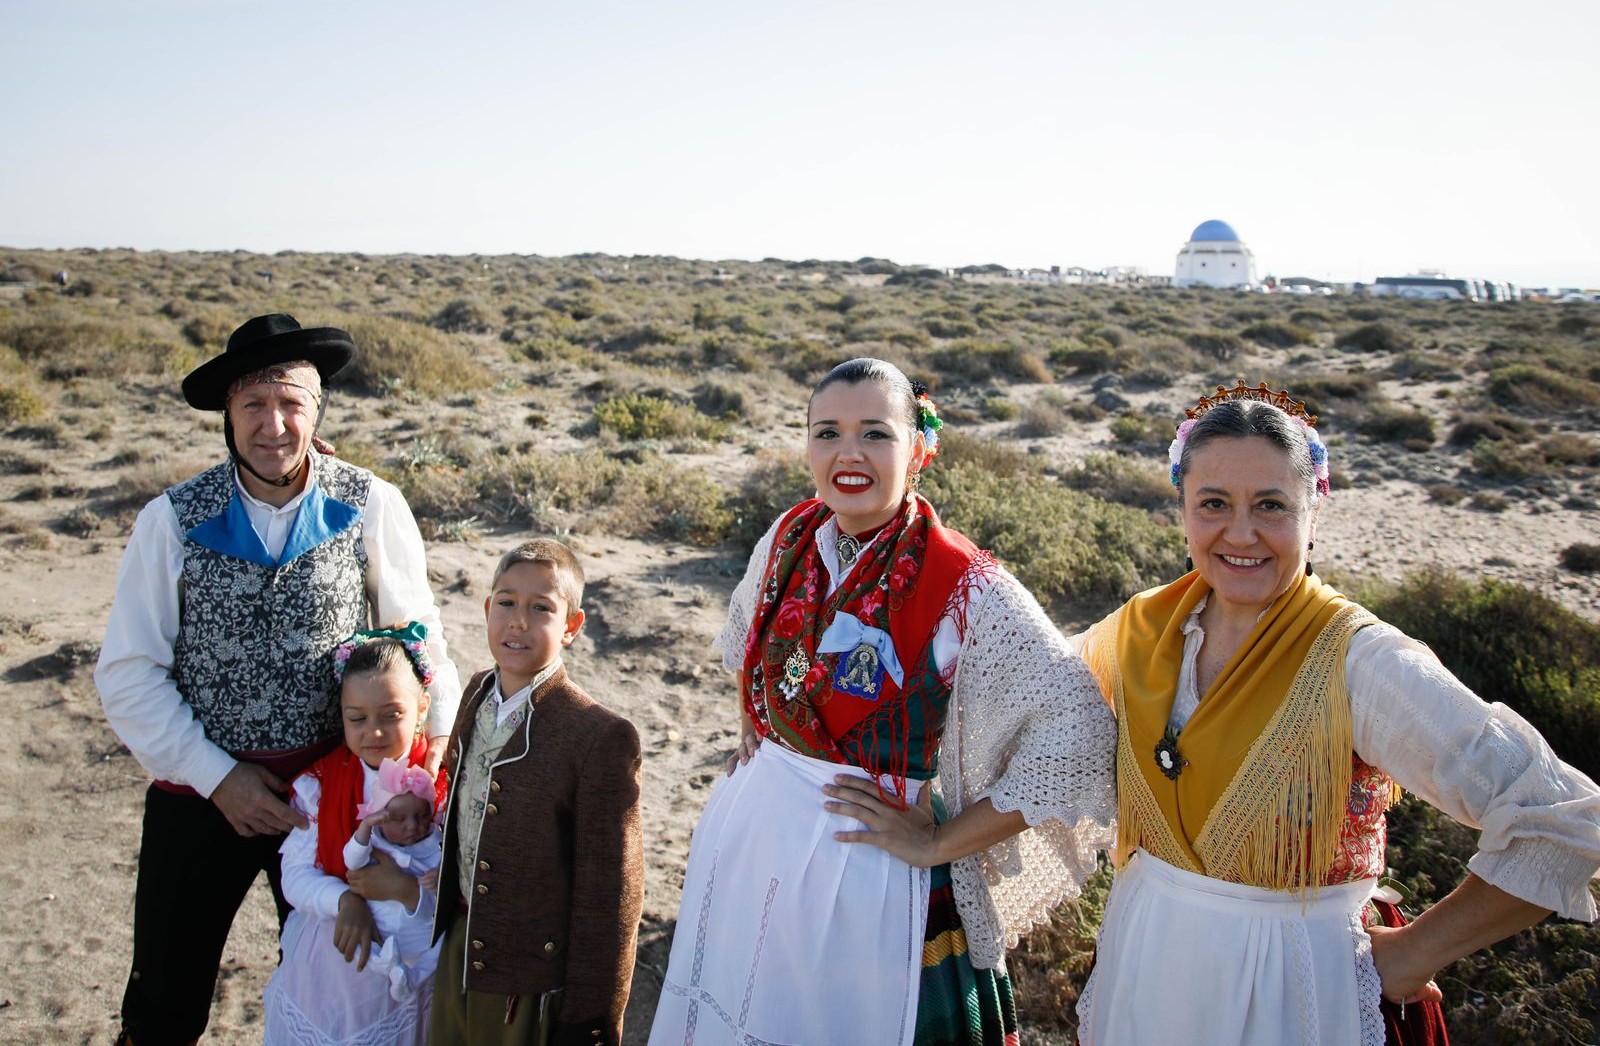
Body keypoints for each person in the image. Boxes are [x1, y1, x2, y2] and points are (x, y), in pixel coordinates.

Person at [1072, 381, 1600, 1046]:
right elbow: (1032, 708)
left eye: (1271, 506)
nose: (1241, 534)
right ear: (1182, 507)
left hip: (1297, 986)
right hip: (1147, 962)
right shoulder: (1142, 628)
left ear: (1312, 510)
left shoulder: (1359, 660)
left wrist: (1412, 954)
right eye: (1214, 504)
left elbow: (1561, 818)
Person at [648, 358, 1117, 1046]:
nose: (848, 454)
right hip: (754, 848)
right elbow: (750, 633)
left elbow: (1078, 732)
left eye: (875, 433)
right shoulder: (790, 536)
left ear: (918, 448)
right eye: (827, 432)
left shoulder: (967, 586)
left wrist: (940, 842)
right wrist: (756, 717)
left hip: (869, 873)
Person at [95, 312, 462, 1046]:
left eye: (291, 402)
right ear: (227, 415)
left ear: (317, 410)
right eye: (253, 404)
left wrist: (429, 764)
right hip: (202, 796)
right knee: (165, 996)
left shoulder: (369, 505)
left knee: (343, 979)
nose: (273, 424)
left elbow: (422, 646)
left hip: (340, 799)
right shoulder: (170, 521)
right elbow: (129, 673)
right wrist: (218, 777)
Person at [415, 537, 644, 1046]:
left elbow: (611, 900)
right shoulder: (476, 692)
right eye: (506, 603)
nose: (518, 621)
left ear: (571, 627)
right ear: (486, 609)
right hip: (462, 948)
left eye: (541, 608)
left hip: (531, 978)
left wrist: (591, 1019)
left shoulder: (598, 736)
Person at [263, 628, 449, 1045]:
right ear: (342, 715)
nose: (374, 733)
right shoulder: (320, 785)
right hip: (333, 968)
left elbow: (464, 876)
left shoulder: (444, 786)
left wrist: (405, 890)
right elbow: (293, 875)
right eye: (357, 719)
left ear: (422, 708)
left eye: (391, 715)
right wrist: (344, 900)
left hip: (422, 958)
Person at [345, 759, 446, 1000]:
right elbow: (352, 862)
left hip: (421, 930)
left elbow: (451, 870)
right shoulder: (375, 842)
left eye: (421, 816)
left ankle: (411, 979)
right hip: (383, 927)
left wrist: (440, 876)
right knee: (362, 941)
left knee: (442, 947)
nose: (412, 825)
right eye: (399, 819)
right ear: (380, 818)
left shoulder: (436, 842)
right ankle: (383, 964)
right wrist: (365, 827)